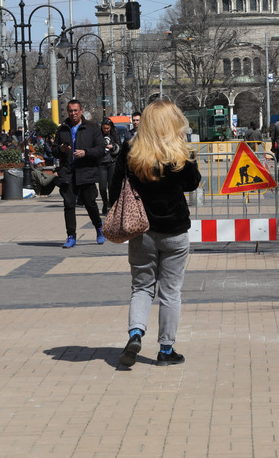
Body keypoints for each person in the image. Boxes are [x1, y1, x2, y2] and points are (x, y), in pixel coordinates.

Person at [109, 99, 202, 367]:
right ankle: (165, 350)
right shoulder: (180, 152)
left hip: (142, 230)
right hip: (175, 230)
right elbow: (192, 184)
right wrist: (185, 151)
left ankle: (136, 333)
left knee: (141, 287)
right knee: (171, 292)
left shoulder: (131, 151)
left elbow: (114, 189)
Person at [53, 100, 105, 248]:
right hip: (68, 172)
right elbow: (54, 150)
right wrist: (60, 150)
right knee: (69, 204)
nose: (73, 113)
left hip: (86, 171)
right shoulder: (63, 128)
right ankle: (71, 236)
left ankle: (99, 227)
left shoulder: (91, 128)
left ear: (81, 111)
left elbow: (101, 148)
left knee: (90, 203)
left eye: (76, 110)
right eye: (70, 111)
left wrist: (86, 152)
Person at [98, 119, 121, 214]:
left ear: (111, 127)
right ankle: (105, 201)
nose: (106, 130)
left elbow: (120, 147)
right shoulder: (98, 135)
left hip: (112, 162)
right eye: (104, 128)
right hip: (101, 163)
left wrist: (113, 146)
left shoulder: (114, 135)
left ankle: (112, 205)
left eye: (107, 128)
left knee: (111, 186)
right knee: (102, 187)